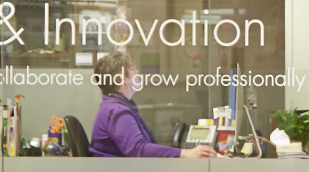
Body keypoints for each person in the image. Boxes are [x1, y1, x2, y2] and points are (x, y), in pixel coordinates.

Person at [89, 52, 217, 159]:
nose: (137, 71)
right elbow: (138, 149)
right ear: (122, 79)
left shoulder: (115, 106)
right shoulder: (116, 110)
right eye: (132, 68)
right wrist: (185, 153)